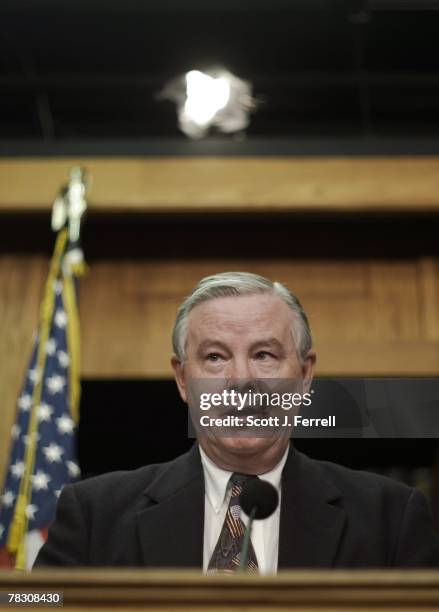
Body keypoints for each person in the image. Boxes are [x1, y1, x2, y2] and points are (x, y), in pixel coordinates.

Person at [34, 272, 439, 570]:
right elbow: (33, 603)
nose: (241, 380)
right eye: (215, 357)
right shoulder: (95, 513)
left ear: (304, 375)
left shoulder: (390, 517)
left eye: (264, 355)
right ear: (182, 379)